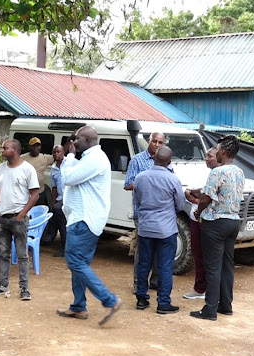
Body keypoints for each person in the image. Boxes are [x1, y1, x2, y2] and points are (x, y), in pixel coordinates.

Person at [55, 126, 122, 326]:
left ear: (86, 139)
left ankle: (110, 300)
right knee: (80, 264)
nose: (73, 143)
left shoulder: (95, 159)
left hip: (84, 219)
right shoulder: (89, 158)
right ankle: (78, 307)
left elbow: (67, 178)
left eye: (76, 139)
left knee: (74, 261)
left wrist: (68, 157)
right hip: (82, 218)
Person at [191, 136, 245, 321]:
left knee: (213, 267)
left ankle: (210, 310)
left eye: (218, 149)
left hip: (215, 223)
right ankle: (225, 305)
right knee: (227, 266)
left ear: (223, 152)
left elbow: (206, 197)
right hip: (233, 222)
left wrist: (199, 211)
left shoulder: (217, 172)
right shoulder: (239, 172)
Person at [132, 146, 184, 315]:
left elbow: (137, 201)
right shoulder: (173, 179)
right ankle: (163, 303)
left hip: (146, 228)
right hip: (166, 229)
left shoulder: (140, 178)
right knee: (165, 266)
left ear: (153, 157)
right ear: (169, 161)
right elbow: (180, 205)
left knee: (143, 263)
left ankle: (141, 298)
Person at [0, 139, 39, 300]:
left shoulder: (27, 169)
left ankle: (24, 288)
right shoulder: (0, 169)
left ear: (15, 150)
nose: (2, 150)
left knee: (22, 255)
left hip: (18, 218)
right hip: (2, 218)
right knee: (3, 253)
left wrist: (22, 214)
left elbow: (35, 195)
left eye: (5, 148)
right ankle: (3, 285)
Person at [125, 132, 167, 291]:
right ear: (149, 142)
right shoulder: (137, 160)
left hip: (161, 213)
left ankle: (155, 281)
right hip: (142, 212)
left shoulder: (166, 162)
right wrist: (148, 184)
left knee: (159, 248)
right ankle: (138, 284)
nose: (157, 145)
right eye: (154, 141)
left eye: (160, 142)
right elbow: (128, 184)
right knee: (143, 250)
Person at [182, 147, 219, 300]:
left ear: (219, 157)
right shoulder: (202, 173)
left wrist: (199, 196)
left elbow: (207, 194)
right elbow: (189, 192)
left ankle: (210, 291)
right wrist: (198, 199)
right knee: (197, 254)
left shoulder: (220, 174)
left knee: (210, 256)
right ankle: (200, 289)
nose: (206, 159)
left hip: (209, 220)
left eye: (209, 156)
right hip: (195, 219)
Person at [20, 137, 54, 207]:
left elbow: (59, 154)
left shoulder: (44, 158)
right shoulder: (22, 158)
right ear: (29, 147)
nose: (36, 148)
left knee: (38, 212)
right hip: (26, 194)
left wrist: (69, 141)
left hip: (40, 193)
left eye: (38, 145)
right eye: (33, 146)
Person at [49, 144, 67, 257]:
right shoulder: (53, 169)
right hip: (61, 199)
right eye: (54, 152)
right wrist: (53, 201)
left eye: (58, 152)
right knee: (63, 224)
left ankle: (51, 234)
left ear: (63, 152)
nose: (56, 154)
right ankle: (64, 249)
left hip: (70, 198)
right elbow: (54, 188)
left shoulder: (70, 163)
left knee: (57, 212)